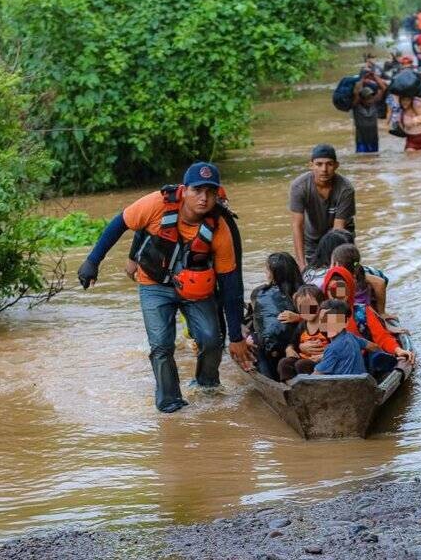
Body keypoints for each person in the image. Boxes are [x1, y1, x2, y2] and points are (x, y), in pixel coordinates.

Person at [76, 162, 253, 413]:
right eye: (197, 190)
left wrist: (236, 337)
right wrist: (92, 261)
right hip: (154, 285)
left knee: (213, 339)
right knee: (161, 345)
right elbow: (120, 224)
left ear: (217, 194)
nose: (203, 198)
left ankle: (207, 385)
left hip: (196, 290)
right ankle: (170, 402)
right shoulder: (156, 204)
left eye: (211, 192)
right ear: (184, 190)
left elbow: (231, 284)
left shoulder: (221, 228)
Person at [323, 268, 415, 372]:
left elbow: (382, 337)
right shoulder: (321, 315)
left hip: (363, 363)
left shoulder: (361, 313)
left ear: (349, 290)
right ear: (326, 292)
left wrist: (398, 350)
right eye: (332, 290)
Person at [289, 144, 356, 269]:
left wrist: (334, 265)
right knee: (312, 277)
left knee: (340, 277)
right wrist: (301, 264)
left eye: (329, 164)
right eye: (319, 164)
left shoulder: (345, 189)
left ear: (336, 165)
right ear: (311, 165)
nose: (324, 169)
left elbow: (338, 230)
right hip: (312, 240)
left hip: (341, 239)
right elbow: (297, 225)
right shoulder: (299, 186)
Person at [249, 252, 304, 380]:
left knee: (258, 344)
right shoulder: (303, 291)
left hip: (296, 345)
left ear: (274, 274)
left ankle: (269, 379)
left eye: (267, 270)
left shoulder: (302, 294)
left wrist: (298, 317)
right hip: (288, 348)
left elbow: (318, 315)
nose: (265, 273)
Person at [276, 285, 330, 381]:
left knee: (301, 364)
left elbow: (339, 344)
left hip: (323, 361)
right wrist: (290, 349)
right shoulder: (302, 325)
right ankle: (291, 388)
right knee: (283, 363)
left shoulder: (327, 323)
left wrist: (323, 355)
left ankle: (309, 388)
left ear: (321, 304)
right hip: (305, 358)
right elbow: (293, 342)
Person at [352, 72, 388, 154]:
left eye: (371, 97)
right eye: (367, 98)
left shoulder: (374, 104)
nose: (370, 100)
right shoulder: (356, 107)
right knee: (362, 159)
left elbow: (383, 88)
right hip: (361, 140)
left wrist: (374, 76)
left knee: (374, 158)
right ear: (362, 99)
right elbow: (356, 92)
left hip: (374, 139)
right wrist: (362, 79)